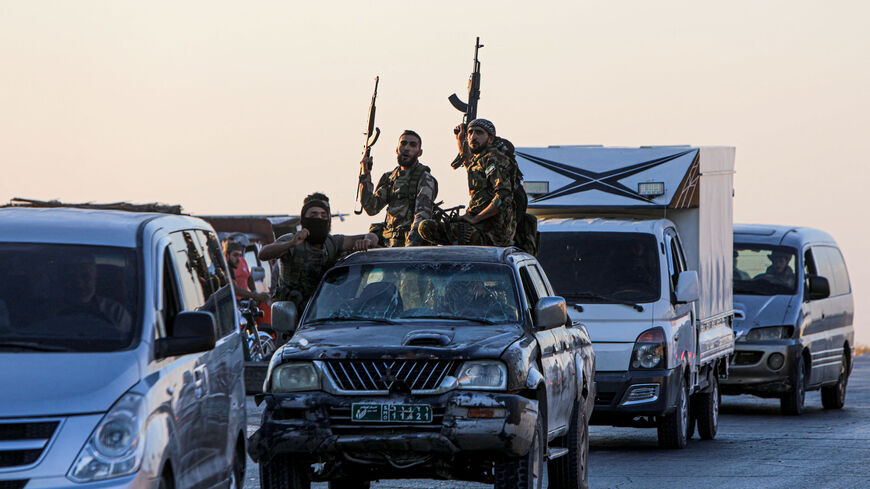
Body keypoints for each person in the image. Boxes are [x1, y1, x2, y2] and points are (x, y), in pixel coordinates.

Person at [259, 193, 378, 313]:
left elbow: (372, 236)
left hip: (321, 314)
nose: (319, 218)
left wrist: (367, 241)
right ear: (304, 218)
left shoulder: (332, 242)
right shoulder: (291, 239)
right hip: (291, 315)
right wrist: (291, 243)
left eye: (323, 215)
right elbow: (263, 254)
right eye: (313, 214)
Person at [418, 118, 517, 247]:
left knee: (428, 227)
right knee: (428, 227)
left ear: (491, 139)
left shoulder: (493, 159)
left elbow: (503, 197)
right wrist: (460, 141)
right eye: (470, 133)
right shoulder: (480, 160)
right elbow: (470, 165)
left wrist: (475, 219)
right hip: (477, 225)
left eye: (479, 133)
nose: (473, 136)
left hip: (491, 234)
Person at [359, 130, 438, 247]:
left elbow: (422, 216)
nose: (407, 148)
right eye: (403, 143)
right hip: (388, 242)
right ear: (397, 149)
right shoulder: (390, 178)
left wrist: (410, 248)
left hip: (410, 245)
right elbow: (371, 208)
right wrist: (366, 175)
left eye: (413, 145)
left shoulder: (425, 179)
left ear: (419, 152)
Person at [58, 253, 133, 334]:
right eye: (73, 277)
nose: (79, 283)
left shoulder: (116, 311)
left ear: (95, 279)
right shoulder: (49, 310)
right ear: (64, 280)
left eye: (86, 277)